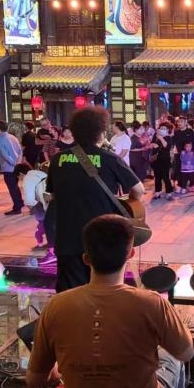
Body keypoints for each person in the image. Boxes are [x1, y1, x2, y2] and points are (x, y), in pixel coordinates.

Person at [26, 215, 194, 388]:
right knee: (170, 356)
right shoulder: (152, 303)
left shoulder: (56, 306)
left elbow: (34, 380)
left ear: (86, 258)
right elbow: (186, 352)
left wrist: (61, 368)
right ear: (130, 253)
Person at [47, 106, 144, 292]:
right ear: (100, 133)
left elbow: (53, 194)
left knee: (70, 294)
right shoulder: (109, 158)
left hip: (67, 239)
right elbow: (138, 190)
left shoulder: (58, 159)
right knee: (103, 292)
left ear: (74, 132)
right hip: (101, 239)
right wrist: (125, 204)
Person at [0, 121, 25, 216]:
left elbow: (5, 155)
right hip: (16, 166)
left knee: (12, 188)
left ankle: (17, 207)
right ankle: (20, 202)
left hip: (8, 167)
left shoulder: (0, 139)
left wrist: (13, 163)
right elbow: (20, 150)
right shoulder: (13, 137)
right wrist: (18, 162)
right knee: (15, 186)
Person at [149, 123, 175, 200]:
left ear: (167, 130)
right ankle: (157, 192)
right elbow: (151, 144)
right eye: (161, 128)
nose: (162, 130)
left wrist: (160, 138)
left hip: (165, 160)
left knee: (166, 177)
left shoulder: (168, 137)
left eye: (164, 129)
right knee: (157, 177)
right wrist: (153, 145)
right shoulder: (156, 136)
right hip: (156, 160)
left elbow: (166, 146)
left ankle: (169, 193)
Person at [171, 117, 194, 195]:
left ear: (185, 122)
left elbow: (193, 142)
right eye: (178, 122)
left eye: (181, 121)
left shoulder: (190, 131)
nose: (179, 123)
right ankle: (179, 186)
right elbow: (174, 143)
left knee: (186, 171)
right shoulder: (176, 132)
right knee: (178, 170)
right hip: (178, 154)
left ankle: (184, 187)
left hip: (188, 154)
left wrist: (191, 152)